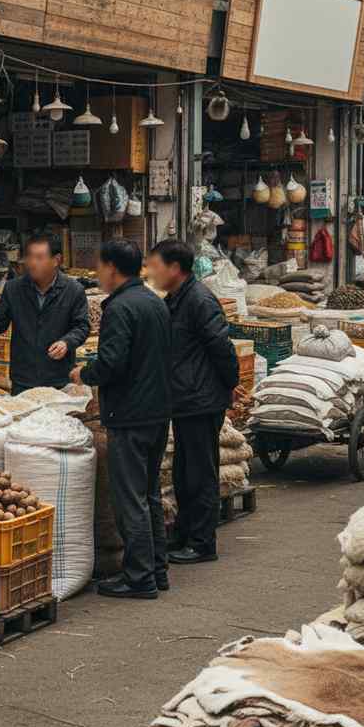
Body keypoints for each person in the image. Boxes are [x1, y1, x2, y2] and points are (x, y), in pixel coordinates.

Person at [69, 238, 171, 599]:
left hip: (131, 414)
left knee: (130, 498)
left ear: (112, 268)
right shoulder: (153, 302)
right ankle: (157, 569)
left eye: (100, 267)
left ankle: (139, 577)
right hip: (157, 411)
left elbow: (113, 362)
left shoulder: (121, 308)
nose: (98, 274)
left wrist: (86, 374)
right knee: (149, 494)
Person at [147, 239, 239, 565]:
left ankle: (203, 543)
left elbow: (222, 348)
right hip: (186, 397)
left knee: (200, 473)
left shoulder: (199, 300)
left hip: (201, 398)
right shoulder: (176, 299)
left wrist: (230, 385)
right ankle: (188, 535)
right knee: (186, 472)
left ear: (174, 269)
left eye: (156, 266)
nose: (152, 273)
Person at [0, 233, 90, 394]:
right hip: (23, 377)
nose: (33, 263)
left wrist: (66, 342)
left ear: (56, 260)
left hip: (58, 377)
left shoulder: (73, 290)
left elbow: (82, 327)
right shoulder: (14, 288)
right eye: (30, 257)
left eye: (40, 258)